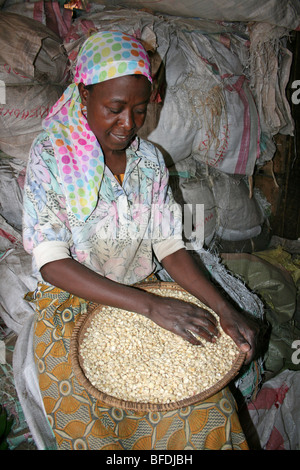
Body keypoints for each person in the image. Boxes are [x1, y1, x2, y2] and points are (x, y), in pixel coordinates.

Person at [22, 30, 259, 450]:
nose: (128, 124)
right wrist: (152, 306)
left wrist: (225, 307)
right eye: (114, 108)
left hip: (144, 290)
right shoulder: (51, 156)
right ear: (84, 93)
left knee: (211, 410)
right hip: (71, 302)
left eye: (139, 109)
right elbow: (51, 262)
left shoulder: (149, 160)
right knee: (91, 418)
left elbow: (168, 245)